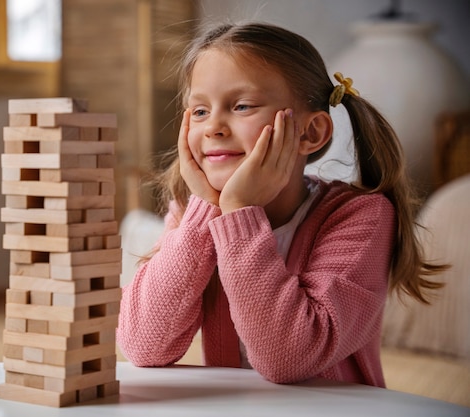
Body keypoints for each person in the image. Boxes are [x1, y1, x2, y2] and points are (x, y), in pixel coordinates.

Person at [116, 22, 446, 388]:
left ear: (312, 132)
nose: (213, 128)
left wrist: (239, 210)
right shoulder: (191, 216)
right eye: (199, 111)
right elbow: (143, 346)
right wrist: (205, 213)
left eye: (241, 106)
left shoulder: (360, 217)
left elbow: (289, 359)